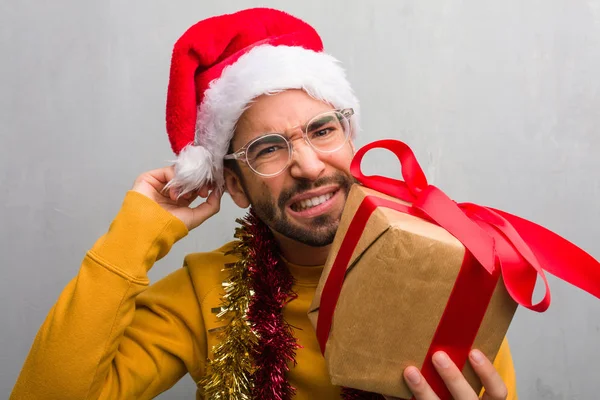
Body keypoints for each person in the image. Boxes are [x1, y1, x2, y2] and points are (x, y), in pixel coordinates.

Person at [10, 7, 517, 400]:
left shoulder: (446, 270)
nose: (310, 165)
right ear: (233, 184)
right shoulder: (201, 294)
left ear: (350, 140)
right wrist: (137, 232)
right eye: (268, 148)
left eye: (323, 131)